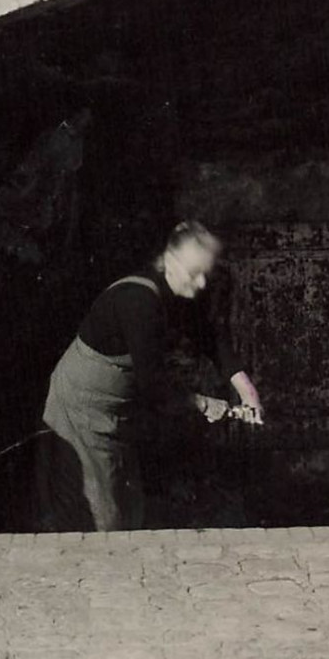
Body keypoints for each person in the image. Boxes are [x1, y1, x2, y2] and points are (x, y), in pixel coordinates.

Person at [35, 221, 264, 532]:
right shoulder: (139, 300)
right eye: (193, 273)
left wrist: (246, 388)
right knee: (98, 515)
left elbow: (209, 336)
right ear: (170, 260)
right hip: (80, 408)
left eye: (205, 275)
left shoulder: (180, 292)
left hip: (114, 410)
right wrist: (203, 404)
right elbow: (153, 382)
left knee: (128, 507)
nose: (199, 284)